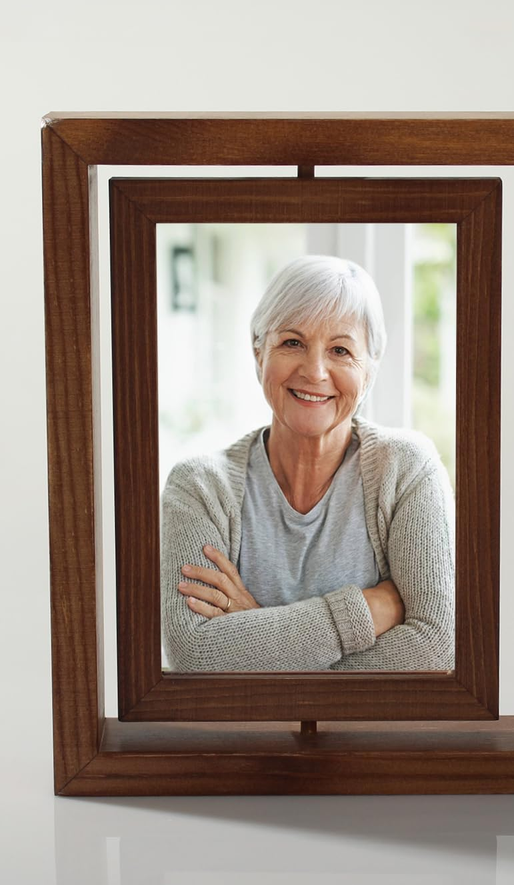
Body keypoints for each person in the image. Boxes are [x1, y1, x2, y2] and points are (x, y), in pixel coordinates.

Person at [160, 255, 454, 673]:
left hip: (372, 742)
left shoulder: (406, 470)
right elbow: (194, 654)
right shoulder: (199, 487)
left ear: (369, 370)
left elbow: (435, 647)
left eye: (340, 350)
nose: (315, 371)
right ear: (258, 351)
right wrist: (367, 610)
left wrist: (253, 632)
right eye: (292, 342)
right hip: (242, 742)